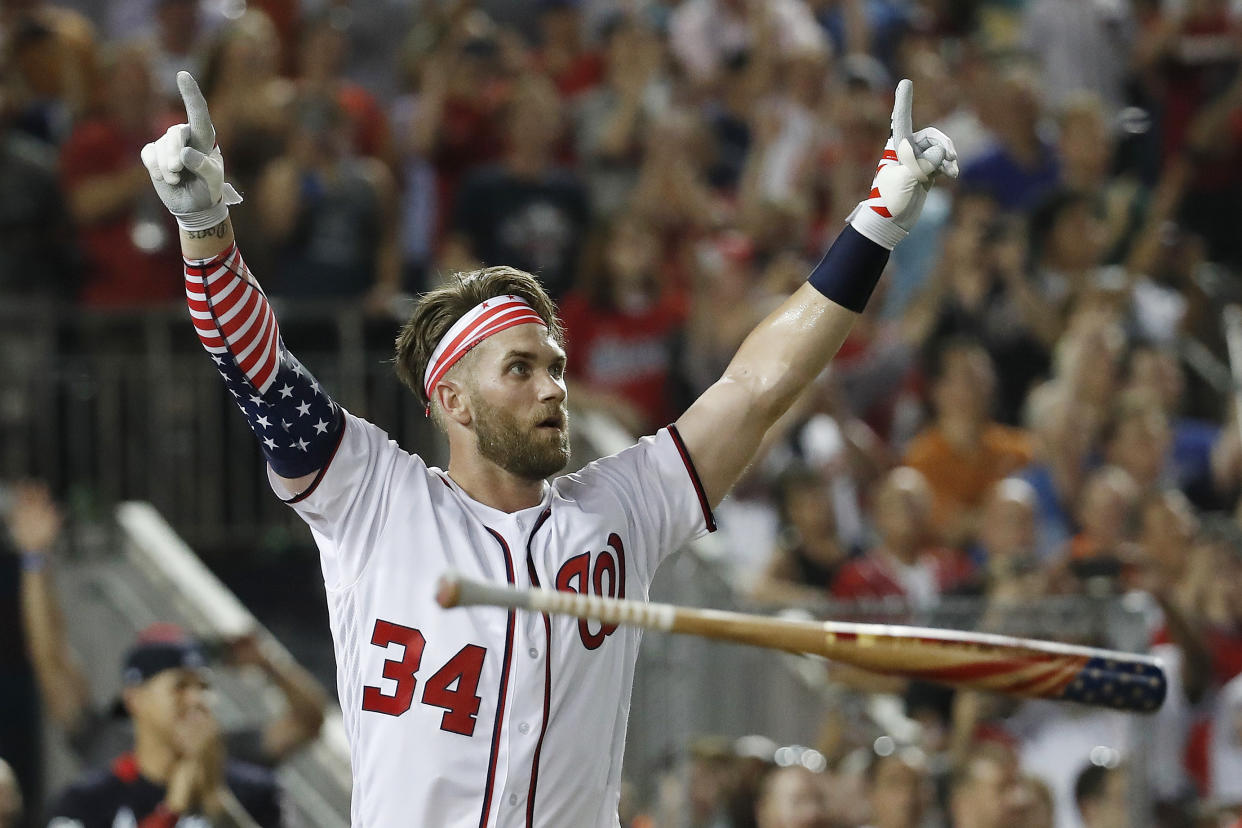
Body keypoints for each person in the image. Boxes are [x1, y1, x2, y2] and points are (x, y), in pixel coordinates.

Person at [140, 70, 956, 825]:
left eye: (558, 368)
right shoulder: (370, 496)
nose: (554, 387)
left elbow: (755, 389)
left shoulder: (622, 509)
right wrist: (204, 228)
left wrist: (878, 217)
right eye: (521, 369)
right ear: (450, 399)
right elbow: (256, 367)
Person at [46, 627, 288, 827]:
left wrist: (216, 801)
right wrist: (171, 811)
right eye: (180, 686)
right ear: (134, 699)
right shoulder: (88, 800)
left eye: (204, 687)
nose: (197, 699)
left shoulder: (257, 791)